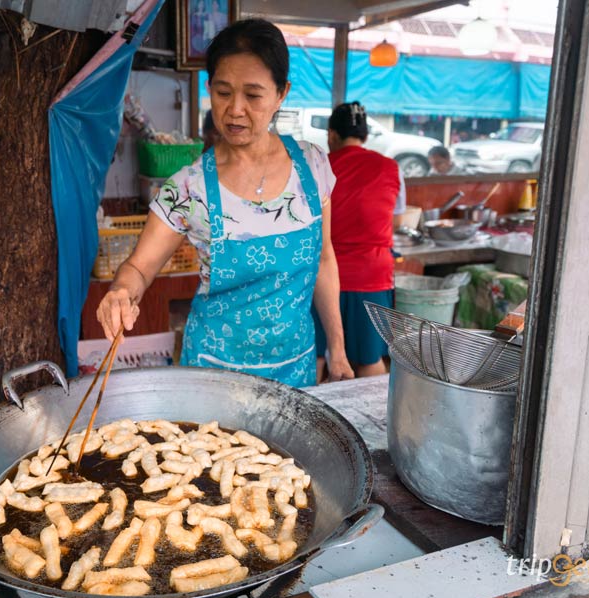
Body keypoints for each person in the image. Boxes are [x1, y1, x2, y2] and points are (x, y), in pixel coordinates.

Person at [97, 19, 354, 387]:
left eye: (253, 95)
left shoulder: (312, 166)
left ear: (282, 93)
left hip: (296, 368)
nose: (235, 109)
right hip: (213, 373)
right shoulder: (189, 188)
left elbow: (324, 259)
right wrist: (121, 292)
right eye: (222, 92)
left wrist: (338, 350)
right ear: (209, 89)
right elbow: (139, 268)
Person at [314, 101, 403, 379]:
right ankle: (375, 423)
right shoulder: (391, 168)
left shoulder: (319, 167)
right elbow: (397, 220)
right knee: (368, 359)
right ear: (364, 136)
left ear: (332, 135)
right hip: (372, 277)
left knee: (315, 358)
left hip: (321, 277)